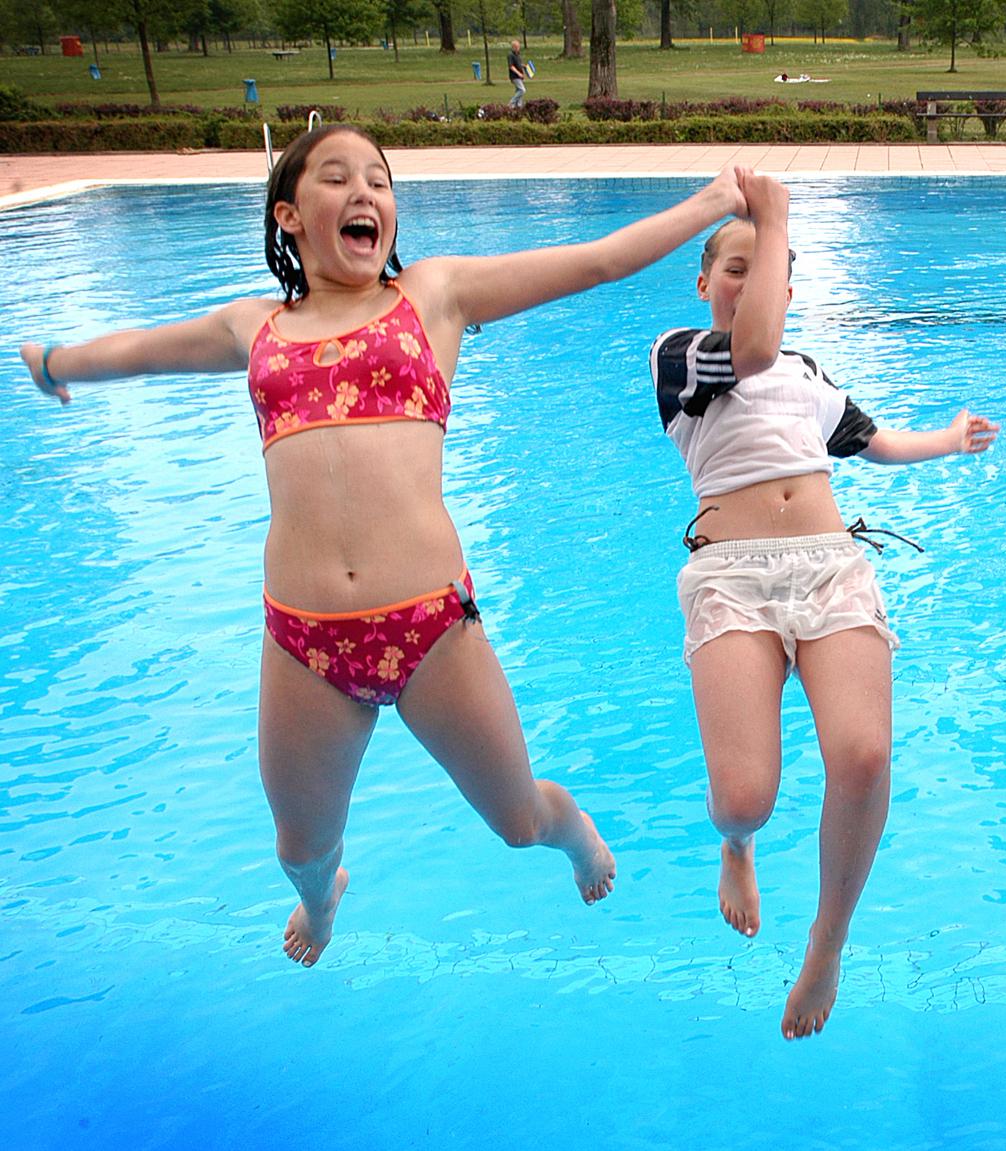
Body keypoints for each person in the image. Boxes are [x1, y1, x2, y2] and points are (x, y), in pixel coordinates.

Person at [18, 125, 751, 969]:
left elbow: (597, 259)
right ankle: (321, 899)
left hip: (431, 628)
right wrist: (54, 361)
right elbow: (143, 353)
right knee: (298, 847)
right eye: (339, 178)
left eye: (380, 180)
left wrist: (713, 200)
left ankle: (573, 834)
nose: (366, 192)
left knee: (519, 821)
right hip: (303, 641)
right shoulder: (252, 325)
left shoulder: (432, 297)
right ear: (290, 214)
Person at [650, 174, 998, 1039]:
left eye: (762, 267)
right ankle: (737, 846)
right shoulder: (679, 353)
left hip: (829, 563)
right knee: (744, 797)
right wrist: (773, 220)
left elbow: (872, 444)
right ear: (704, 282)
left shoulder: (807, 373)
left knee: (865, 755)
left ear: (788, 286)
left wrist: (948, 440)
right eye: (734, 266)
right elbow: (753, 347)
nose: (745, 279)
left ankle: (827, 940)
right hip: (730, 572)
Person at [507, 40, 527, 110]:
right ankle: (511, 103)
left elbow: (518, 64)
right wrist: (518, 73)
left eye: (519, 46)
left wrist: (524, 66)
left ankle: (518, 106)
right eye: (517, 47)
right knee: (522, 90)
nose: (518, 48)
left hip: (520, 76)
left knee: (518, 90)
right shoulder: (510, 55)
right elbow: (511, 66)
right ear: (513, 47)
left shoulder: (517, 54)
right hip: (515, 76)